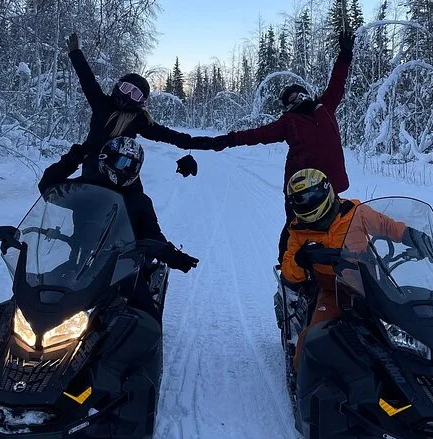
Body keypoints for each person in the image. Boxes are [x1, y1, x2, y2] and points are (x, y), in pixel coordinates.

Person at [192, 29, 356, 264]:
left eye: (299, 95)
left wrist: (345, 55)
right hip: (299, 187)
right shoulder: (288, 121)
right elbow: (259, 134)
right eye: (292, 98)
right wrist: (230, 139)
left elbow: (337, 82)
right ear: (287, 106)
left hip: (328, 184)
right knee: (294, 229)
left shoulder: (326, 106)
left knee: (335, 225)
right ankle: (287, 270)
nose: (298, 99)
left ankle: (333, 267)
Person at [279, 169, 433, 369]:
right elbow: (289, 273)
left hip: (372, 285)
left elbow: (387, 226)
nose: (306, 204)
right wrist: (301, 259)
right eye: (299, 201)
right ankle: (302, 376)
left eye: (310, 198)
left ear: (325, 191)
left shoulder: (355, 212)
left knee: (405, 323)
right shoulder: (298, 231)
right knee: (312, 340)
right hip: (334, 290)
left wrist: (413, 236)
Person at [42, 32, 205, 195]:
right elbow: (87, 79)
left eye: (135, 94)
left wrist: (220, 141)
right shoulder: (101, 103)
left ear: (141, 102)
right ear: (118, 86)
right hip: (91, 177)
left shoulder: (139, 119)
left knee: (142, 209)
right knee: (48, 185)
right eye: (126, 88)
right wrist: (75, 53)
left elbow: (175, 137)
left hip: (124, 180)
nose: (128, 95)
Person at [39, 136, 198, 276]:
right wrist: (73, 159)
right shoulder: (84, 190)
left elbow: (152, 234)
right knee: (41, 290)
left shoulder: (140, 201)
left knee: (141, 300)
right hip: (80, 265)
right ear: (106, 160)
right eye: (123, 163)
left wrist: (173, 256)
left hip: (122, 270)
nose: (127, 170)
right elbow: (49, 187)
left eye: (133, 166)